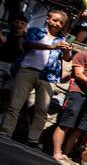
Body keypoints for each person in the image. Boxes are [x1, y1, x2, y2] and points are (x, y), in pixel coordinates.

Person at [0, 10, 71, 146]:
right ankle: (5, 132)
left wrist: (66, 50)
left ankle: (33, 140)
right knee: (15, 104)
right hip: (27, 70)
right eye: (55, 20)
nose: (57, 24)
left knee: (42, 110)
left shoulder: (62, 40)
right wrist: (52, 46)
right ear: (48, 19)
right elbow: (28, 44)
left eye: (61, 23)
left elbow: (67, 58)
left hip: (48, 76)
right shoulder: (35, 31)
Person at [0, 14, 27, 100]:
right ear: (12, 23)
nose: (19, 25)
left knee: (7, 93)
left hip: (16, 68)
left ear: (25, 25)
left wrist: (21, 46)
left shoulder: (27, 38)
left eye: (22, 23)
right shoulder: (5, 33)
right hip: (2, 63)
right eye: (16, 22)